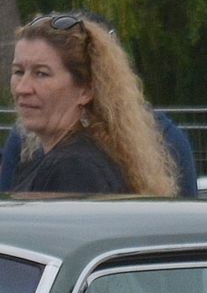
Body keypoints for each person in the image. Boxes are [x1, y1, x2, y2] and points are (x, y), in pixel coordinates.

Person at [0, 10, 195, 196]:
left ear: (86, 90)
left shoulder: (74, 168)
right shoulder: (69, 157)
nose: (22, 88)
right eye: (18, 72)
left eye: (41, 74)